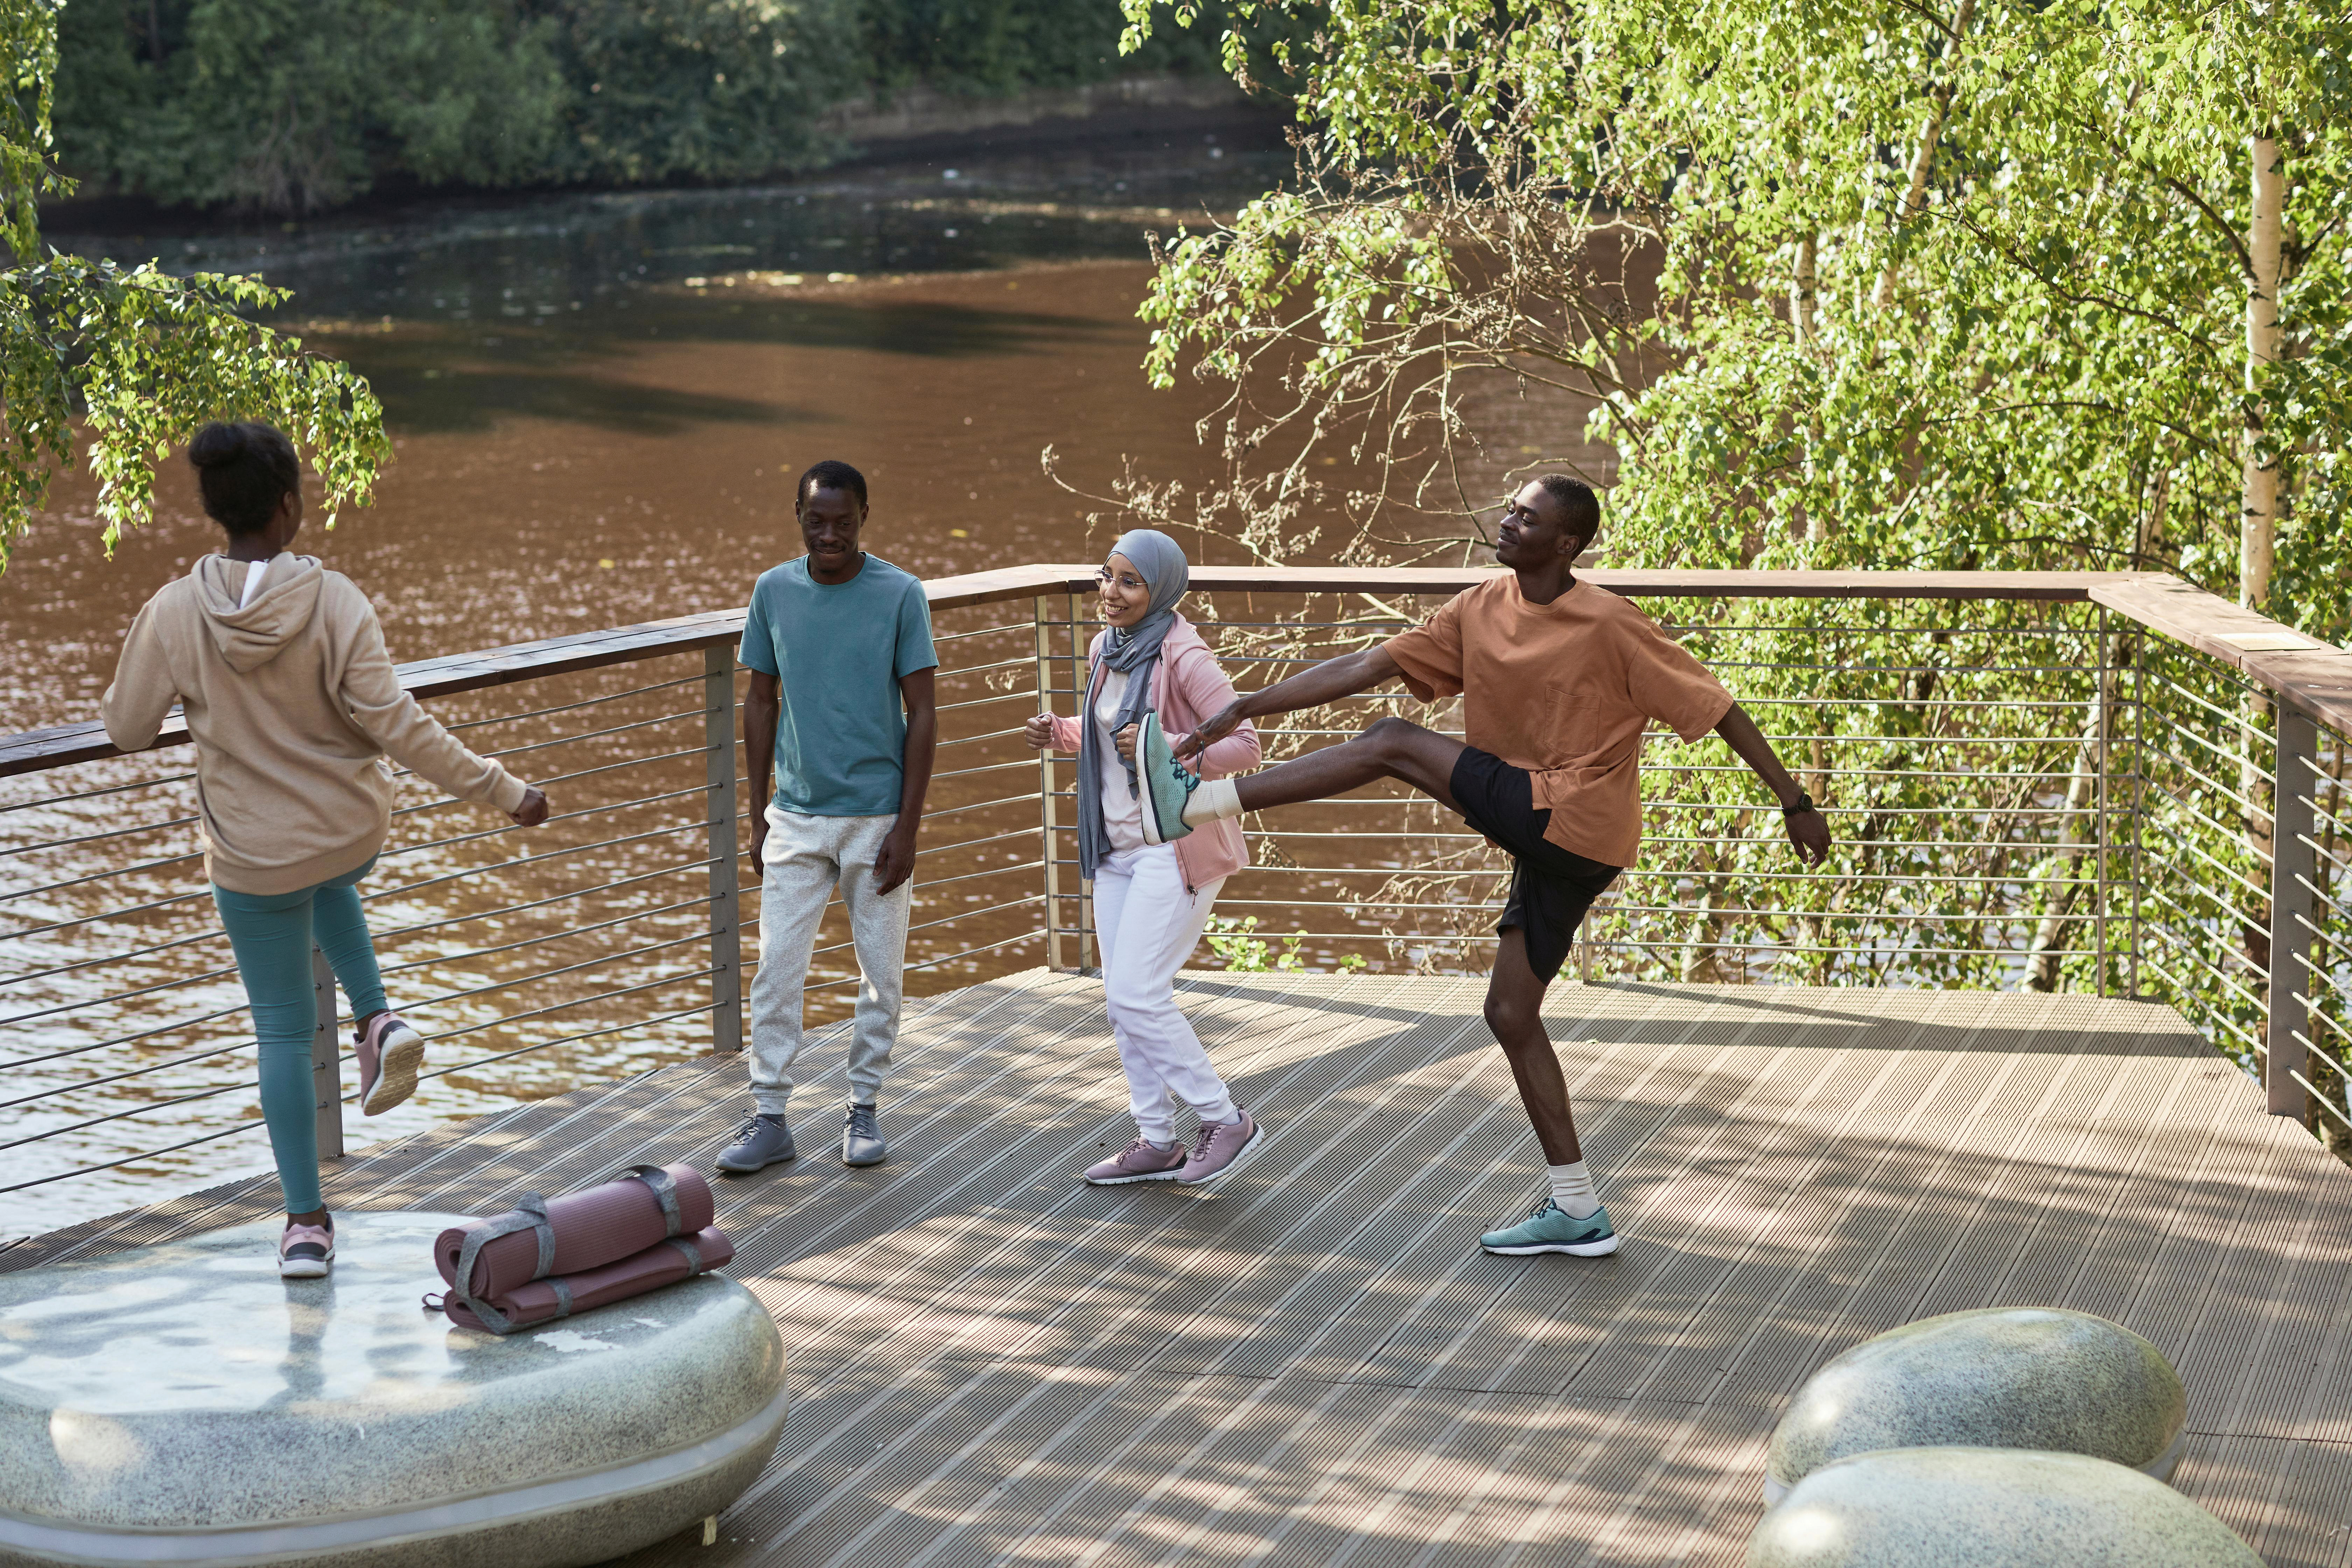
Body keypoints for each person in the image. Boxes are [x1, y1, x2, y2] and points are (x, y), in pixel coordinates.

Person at [1134, 475, 1834, 1256]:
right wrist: (1247, 706)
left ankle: (1195, 806)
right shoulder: (1479, 607)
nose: (1507, 522)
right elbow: (1367, 664)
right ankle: (1578, 1209)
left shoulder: (1612, 623)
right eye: (1510, 510)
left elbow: (1717, 706)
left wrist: (1795, 800)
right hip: (1562, 836)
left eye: (1526, 518)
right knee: (1510, 1013)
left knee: (1392, 742)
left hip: (1576, 817)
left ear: (1566, 544)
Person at [102, 421, 551, 1280]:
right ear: (287, 505)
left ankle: (306, 1226)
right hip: (347, 834)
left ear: (217, 510)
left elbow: (126, 727)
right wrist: (504, 790)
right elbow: (399, 725)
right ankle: (377, 1018)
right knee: (323, 872)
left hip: (253, 858)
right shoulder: (335, 599)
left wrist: (185, 677)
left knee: (281, 1030)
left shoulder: (172, 611)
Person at [716, 460, 938, 1175]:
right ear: (800, 517)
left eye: (844, 522)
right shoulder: (773, 591)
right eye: (817, 521)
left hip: (877, 819)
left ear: (864, 517)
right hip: (796, 817)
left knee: (881, 976)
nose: (830, 535)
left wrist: (908, 827)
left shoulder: (900, 594)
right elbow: (760, 701)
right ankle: (770, 1117)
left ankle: (863, 1107)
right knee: (776, 972)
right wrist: (758, 816)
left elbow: (924, 712)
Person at [1023, 531, 1264, 1185]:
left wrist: (1170, 745)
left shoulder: (1185, 655)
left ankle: (1225, 1119)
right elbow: (1111, 733)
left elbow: (1245, 746)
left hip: (1174, 846)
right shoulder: (1109, 647)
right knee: (1123, 999)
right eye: (1107, 575)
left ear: (1160, 591)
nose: (1111, 592)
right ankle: (1157, 1139)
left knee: (1136, 994)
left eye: (1130, 582)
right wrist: (1062, 732)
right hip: (1116, 848)